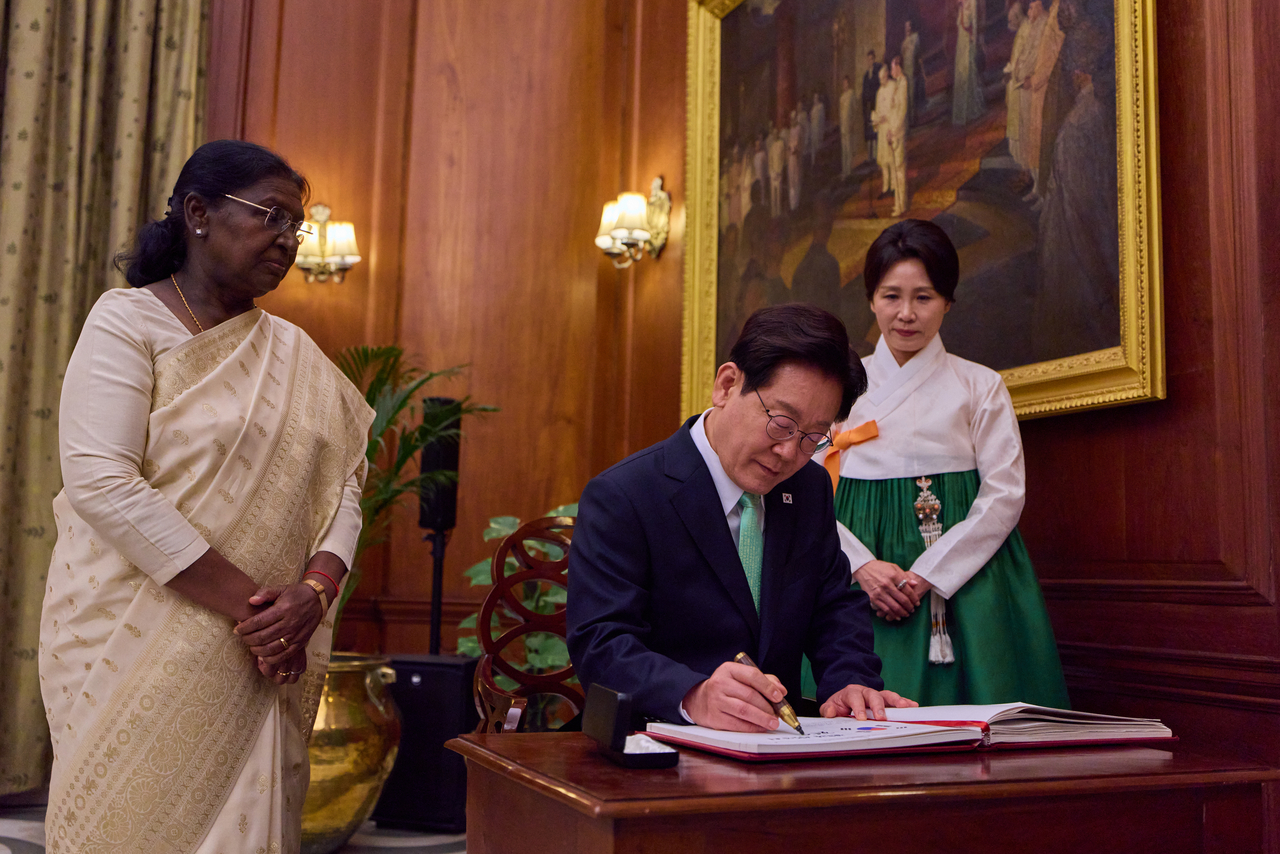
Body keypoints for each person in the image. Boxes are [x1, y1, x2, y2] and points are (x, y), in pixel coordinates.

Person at [39, 140, 375, 853]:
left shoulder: (294, 352)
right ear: (198, 213)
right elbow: (102, 481)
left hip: (256, 656)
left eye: (296, 226)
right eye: (271, 216)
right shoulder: (127, 323)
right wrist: (260, 614)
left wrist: (314, 592)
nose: (287, 239)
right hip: (134, 635)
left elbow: (346, 480)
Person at [567, 304, 916, 731]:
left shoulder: (808, 487)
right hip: (656, 739)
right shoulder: (625, 495)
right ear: (727, 385)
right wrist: (692, 695)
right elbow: (601, 643)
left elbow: (833, 606)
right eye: (781, 423)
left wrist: (850, 681)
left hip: (778, 742)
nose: (789, 452)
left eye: (812, 437)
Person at [822, 219, 1069, 708]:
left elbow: (1004, 494)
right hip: (858, 569)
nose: (906, 314)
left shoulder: (980, 385)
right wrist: (862, 567)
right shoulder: (839, 386)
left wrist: (929, 575)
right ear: (871, 300)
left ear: (948, 301)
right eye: (891, 296)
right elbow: (804, 489)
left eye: (924, 297)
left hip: (964, 573)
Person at [952, 0, 987, 126]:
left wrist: (974, 39)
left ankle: (972, 110)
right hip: (961, 43)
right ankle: (961, 114)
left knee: (969, 73)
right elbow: (959, 23)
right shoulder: (961, 4)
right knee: (961, 75)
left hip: (968, 41)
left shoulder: (972, 2)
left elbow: (974, 23)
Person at [886, 57, 910, 217]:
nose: (891, 71)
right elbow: (892, 110)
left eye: (893, 68)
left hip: (899, 131)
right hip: (893, 130)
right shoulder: (897, 84)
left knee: (900, 169)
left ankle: (901, 205)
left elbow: (902, 110)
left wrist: (894, 130)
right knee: (896, 170)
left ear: (899, 67)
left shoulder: (903, 83)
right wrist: (889, 130)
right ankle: (898, 204)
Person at [861, 51, 883, 163]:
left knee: (875, 128)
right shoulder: (866, 76)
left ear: (874, 60)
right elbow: (864, 92)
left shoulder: (877, 73)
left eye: (871, 59)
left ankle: (875, 155)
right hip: (868, 107)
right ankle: (869, 156)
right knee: (868, 129)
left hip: (875, 105)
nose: (869, 62)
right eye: (868, 60)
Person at [838, 75, 856, 178]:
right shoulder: (841, 97)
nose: (845, 85)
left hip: (849, 125)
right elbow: (841, 113)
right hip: (843, 127)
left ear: (849, 83)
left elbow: (854, 110)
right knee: (844, 149)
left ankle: (849, 171)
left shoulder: (851, 94)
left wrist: (852, 123)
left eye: (846, 83)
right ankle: (844, 171)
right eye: (843, 83)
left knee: (849, 149)